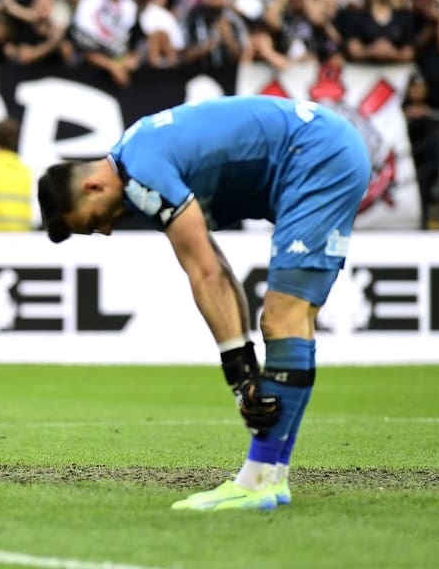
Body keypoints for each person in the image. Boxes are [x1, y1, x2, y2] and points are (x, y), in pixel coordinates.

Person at [37, 95, 371, 511]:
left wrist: (239, 373)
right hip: (330, 148)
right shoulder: (137, 154)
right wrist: (244, 368)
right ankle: (272, 476)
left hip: (315, 156)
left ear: (93, 186)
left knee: (282, 320)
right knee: (294, 322)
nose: (105, 230)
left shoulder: (142, 175)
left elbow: (205, 274)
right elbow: (219, 269)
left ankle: (258, 481)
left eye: (92, 221)